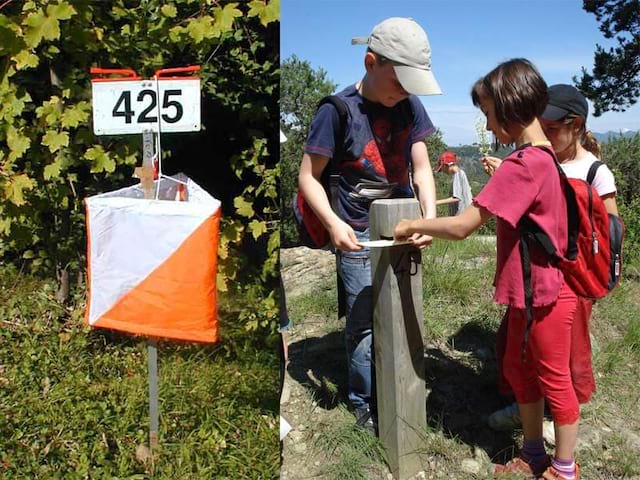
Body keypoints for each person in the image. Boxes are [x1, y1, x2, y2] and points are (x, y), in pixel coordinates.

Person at [395, 59, 581, 480]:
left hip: (547, 296)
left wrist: (411, 224)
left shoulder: (524, 164)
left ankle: (565, 469)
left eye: (487, 113)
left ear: (509, 107)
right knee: (520, 371)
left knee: (554, 379)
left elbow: (462, 227)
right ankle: (534, 454)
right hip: (532, 294)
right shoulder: (542, 157)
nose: (488, 124)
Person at [297, 17, 441, 433]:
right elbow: (308, 176)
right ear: (371, 62)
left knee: (401, 308)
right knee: (362, 323)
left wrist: (428, 219)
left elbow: (421, 167)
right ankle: (364, 401)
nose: (405, 92)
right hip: (355, 231)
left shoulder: (411, 104)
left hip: (402, 224)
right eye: (400, 81)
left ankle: (402, 385)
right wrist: (333, 224)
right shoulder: (337, 110)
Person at [485, 84, 619, 434]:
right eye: (542, 126)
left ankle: (558, 416)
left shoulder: (594, 172)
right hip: (535, 278)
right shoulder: (540, 160)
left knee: (566, 355)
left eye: (553, 128)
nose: (545, 134)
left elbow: (610, 232)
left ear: (576, 126)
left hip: (572, 280)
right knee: (520, 350)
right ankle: (527, 405)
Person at [435, 151, 473, 216]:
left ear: (446, 165)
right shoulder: (460, 174)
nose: (443, 171)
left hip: (462, 217)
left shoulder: (458, 174)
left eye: (442, 168)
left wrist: (435, 203)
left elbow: (456, 198)